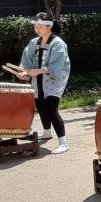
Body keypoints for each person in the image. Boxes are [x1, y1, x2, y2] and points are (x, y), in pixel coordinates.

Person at [18, 12, 71, 154]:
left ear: (49, 27)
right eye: (36, 26)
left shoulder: (58, 43)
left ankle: (63, 142)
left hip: (56, 77)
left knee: (51, 106)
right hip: (38, 76)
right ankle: (47, 131)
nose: (37, 28)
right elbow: (26, 60)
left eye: (40, 26)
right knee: (40, 103)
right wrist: (24, 72)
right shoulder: (34, 42)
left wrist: (38, 71)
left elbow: (56, 66)